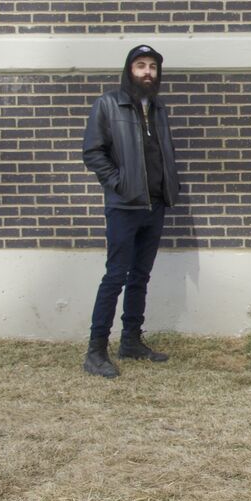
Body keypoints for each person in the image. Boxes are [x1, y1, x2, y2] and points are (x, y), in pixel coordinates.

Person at [81, 44, 181, 378]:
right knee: (115, 277)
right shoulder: (108, 105)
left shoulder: (158, 108)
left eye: (152, 66)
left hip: (154, 206)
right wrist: (119, 183)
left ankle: (131, 340)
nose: (147, 72)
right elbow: (93, 152)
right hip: (124, 206)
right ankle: (96, 350)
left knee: (140, 276)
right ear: (129, 70)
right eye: (141, 65)